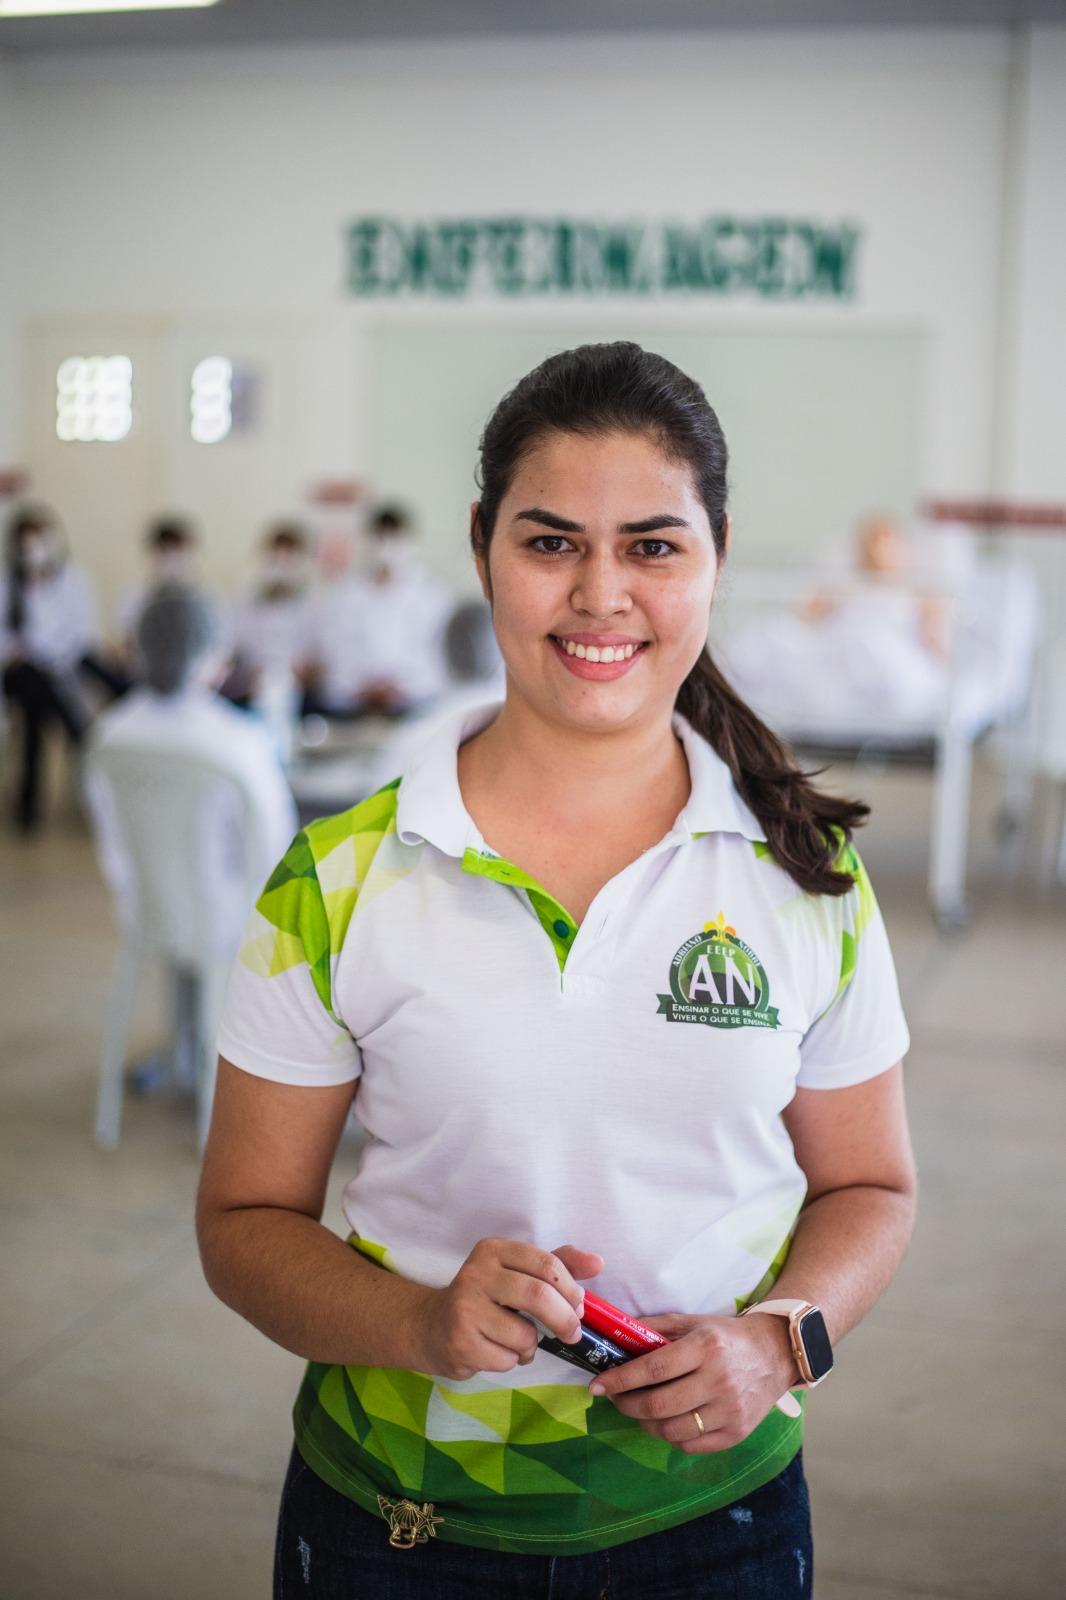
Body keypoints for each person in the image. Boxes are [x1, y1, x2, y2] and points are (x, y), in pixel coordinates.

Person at [197, 343, 917, 1599]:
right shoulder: (339, 877)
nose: (600, 594)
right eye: (549, 543)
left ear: (716, 554)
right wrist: (417, 1322)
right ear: (483, 547)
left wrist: (778, 1342)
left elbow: (871, 1185)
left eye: (652, 546)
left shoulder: (805, 875)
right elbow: (242, 1222)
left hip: (718, 1521)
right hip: (398, 1521)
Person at [86, 585, 297, 958]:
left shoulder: (107, 735)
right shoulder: (239, 740)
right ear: (213, 653)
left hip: (142, 911)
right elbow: (274, 850)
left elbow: (111, 840)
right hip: (229, 919)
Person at [1, 505, 118, 831]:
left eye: (40, 540)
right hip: (20, 672)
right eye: (26, 543)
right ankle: (78, 736)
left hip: (64, 663)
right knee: (34, 687)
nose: (34, 549)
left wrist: (52, 657)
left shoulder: (75, 580)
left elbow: (81, 633)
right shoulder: (8, 585)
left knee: (38, 704)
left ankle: (30, 803)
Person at [312, 503, 453, 717]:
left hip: (415, 705)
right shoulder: (345, 595)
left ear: (409, 541)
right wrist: (363, 687)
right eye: (380, 538)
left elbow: (439, 657)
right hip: (354, 705)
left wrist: (402, 688)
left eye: (394, 538)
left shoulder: (433, 595)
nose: (387, 546)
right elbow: (335, 653)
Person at [225, 521, 320, 707]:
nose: (281, 566)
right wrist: (250, 676)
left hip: (301, 697)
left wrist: (300, 675)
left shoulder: (314, 607)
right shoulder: (244, 604)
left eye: (289, 558)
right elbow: (232, 655)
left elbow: (319, 662)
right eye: (276, 557)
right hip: (249, 693)